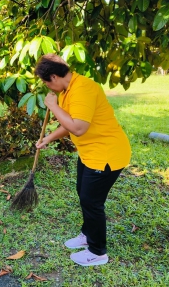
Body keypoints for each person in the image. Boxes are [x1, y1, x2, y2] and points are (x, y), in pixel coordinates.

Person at [34, 54, 131, 266]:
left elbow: (78, 127)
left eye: (46, 82)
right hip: (90, 154)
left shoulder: (83, 89)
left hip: (106, 155)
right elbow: (69, 123)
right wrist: (48, 139)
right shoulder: (68, 89)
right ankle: (88, 235)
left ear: (53, 77)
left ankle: (97, 252)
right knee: (83, 193)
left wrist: (52, 106)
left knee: (92, 202)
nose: (48, 88)